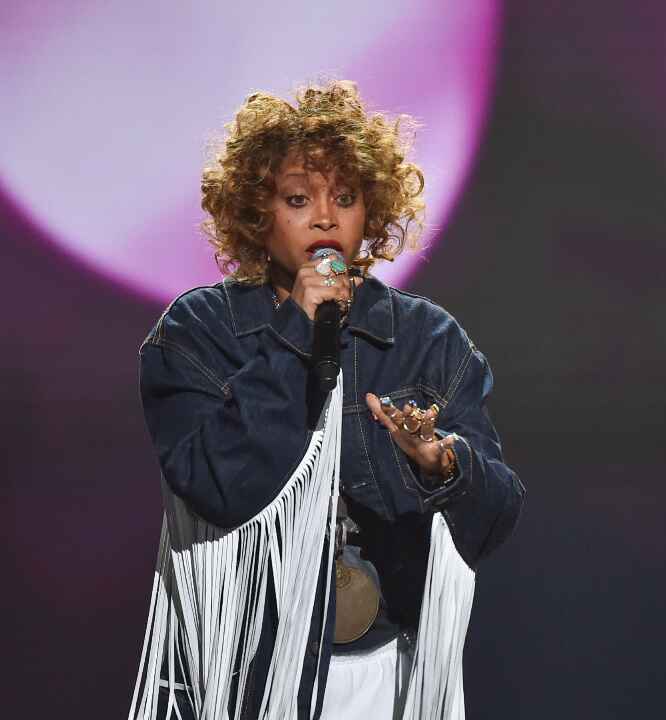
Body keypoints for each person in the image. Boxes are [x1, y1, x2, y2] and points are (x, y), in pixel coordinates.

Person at [128, 80, 523, 719]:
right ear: (259, 214)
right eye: (296, 199)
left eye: (346, 198)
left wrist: (443, 465)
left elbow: (497, 517)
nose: (324, 218)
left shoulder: (426, 339)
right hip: (239, 676)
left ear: (373, 211)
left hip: (380, 672)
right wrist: (295, 337)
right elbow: (215, 484)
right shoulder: (198, 333)